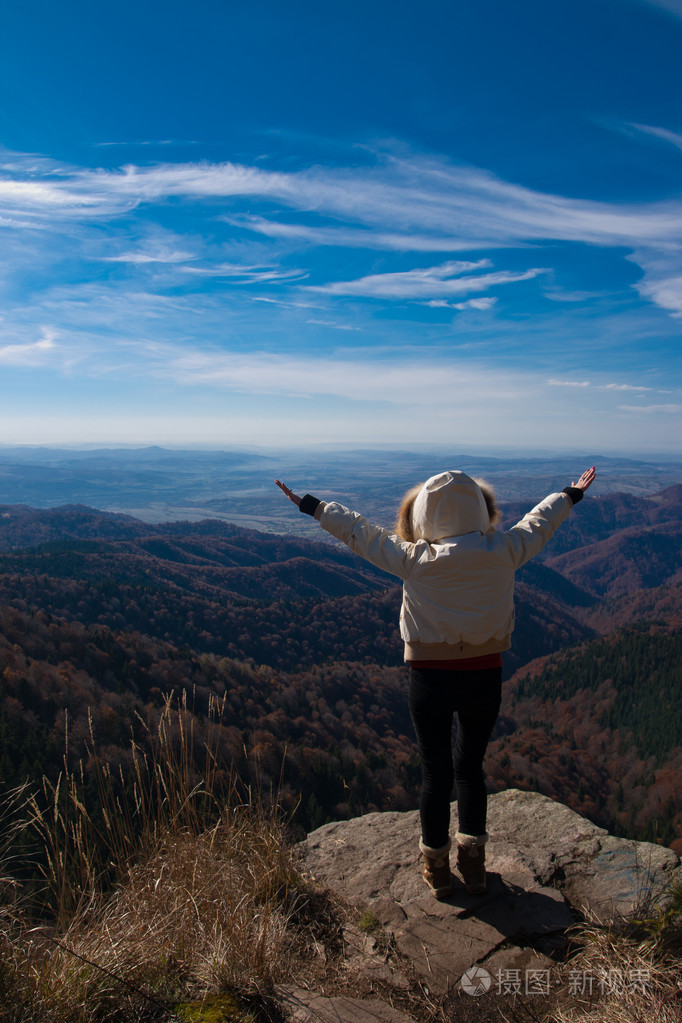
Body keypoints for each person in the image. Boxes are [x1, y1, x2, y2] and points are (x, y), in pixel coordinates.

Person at [275, 465, 596, 899]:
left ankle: (437, 868)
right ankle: (474, 865)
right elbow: (540, 523)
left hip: (429, 677)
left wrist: (312, 506)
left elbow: (360, 533)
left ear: (424, 515)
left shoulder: (415, 559)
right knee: (470, 768)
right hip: (485, 673)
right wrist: (570, 494)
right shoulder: (504, 550)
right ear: (479, 509)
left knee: (435, 773)